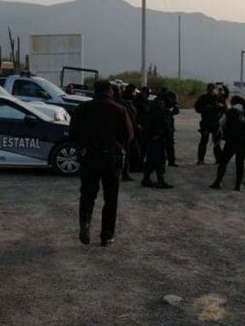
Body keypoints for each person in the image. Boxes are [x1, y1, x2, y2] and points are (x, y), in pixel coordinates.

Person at [69, 80, 134, 246]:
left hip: (89, 156)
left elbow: (73, 133)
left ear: (95, 91)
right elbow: (128, 135)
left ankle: (85, 224)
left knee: (87, 195)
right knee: (110, 198)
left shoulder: (83, 109)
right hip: (111, 157)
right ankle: (106, 236)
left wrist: (83, 145)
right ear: (110, 91)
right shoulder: (119, 109)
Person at [210, 96, 245, 191]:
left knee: (224, 162)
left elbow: (220, 123)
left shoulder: (230, 111)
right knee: (240, 163)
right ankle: (238, 185)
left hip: (232, 140)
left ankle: (218, 182)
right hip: (244, 141)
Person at [139, 94, 174, 189]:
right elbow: (165, 125)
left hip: (151, 137)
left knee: (151, 160)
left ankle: (146, 179)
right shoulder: (161, 110)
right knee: (159, 160)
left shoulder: (152, 108)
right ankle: (160, 181)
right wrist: (163, 134)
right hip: (158, 138)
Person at [195, 83, 226, 165]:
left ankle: (218, 160)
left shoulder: (219, 98)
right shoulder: (203, 98)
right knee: (203, 141)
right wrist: (206, 108)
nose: (211, 90)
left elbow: (225, 110)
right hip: (205, 122)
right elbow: (197, 108)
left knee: (217, 142)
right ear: (207, 89)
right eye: (210, 89)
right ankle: (201, 160)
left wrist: (220, 106)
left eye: (213, 89)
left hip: (216, 123)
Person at [159, 87, 180, 166]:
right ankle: (167, 161)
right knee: (166, 145)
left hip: (168, 126)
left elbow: (176, 110)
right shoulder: (162, 102)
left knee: (169, 144)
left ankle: (170, 161)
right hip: (164, 126)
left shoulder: (165, 101)